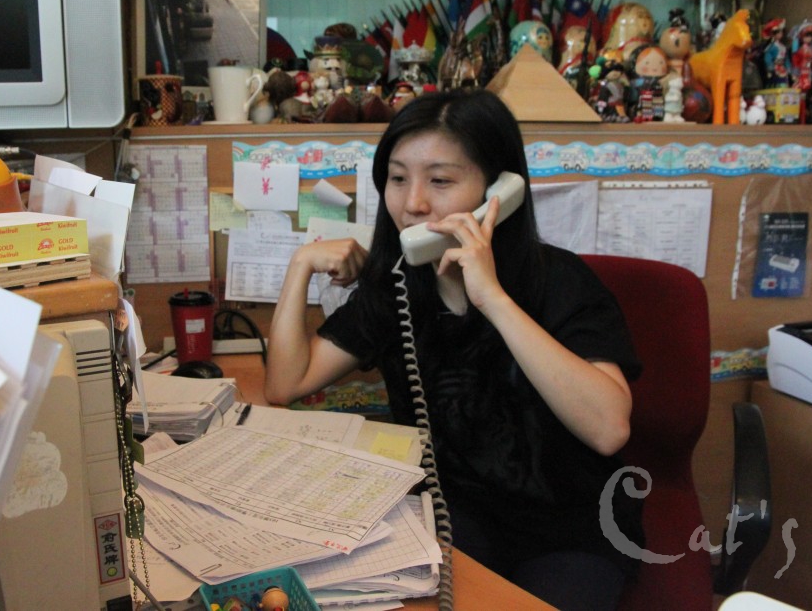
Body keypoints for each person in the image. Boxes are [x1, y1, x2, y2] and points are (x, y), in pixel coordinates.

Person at [264, 89, 644, 611]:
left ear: (500, 190)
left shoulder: (560, 281)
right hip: (454, 518)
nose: (413, 202)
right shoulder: (397, 287)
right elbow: (285, 383)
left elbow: (608, 428)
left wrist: (492, 299)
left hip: (570, 528)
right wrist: (300, 267)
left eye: (440, 181)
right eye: (398, 178)